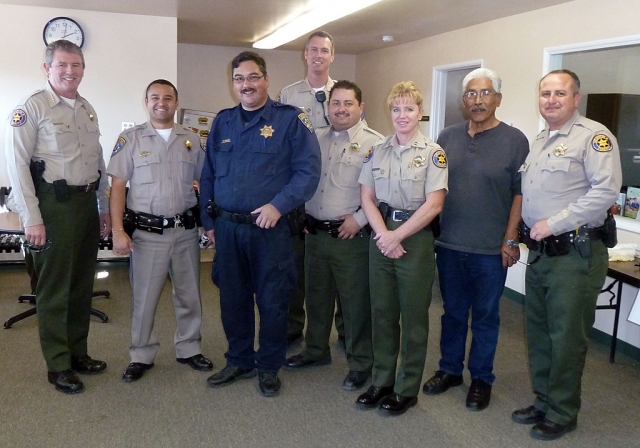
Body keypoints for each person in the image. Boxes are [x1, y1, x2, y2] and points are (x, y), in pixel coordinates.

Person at [199, 51, 321, 397]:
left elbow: (308, 172)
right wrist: (209, 222)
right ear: (233, 83)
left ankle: (269, 365)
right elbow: (207, 174)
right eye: (239, 78)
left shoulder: (290, 121)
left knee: (272, 300)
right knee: (233, 299)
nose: (246, 85)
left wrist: (278, 206)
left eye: (253, 77)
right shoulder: (222, 122)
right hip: (228, 229)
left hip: (271, 230)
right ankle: (238, 359)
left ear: (266, 80)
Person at [513, 69, 621, 441]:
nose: (551, 100)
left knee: (566, 337)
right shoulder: (542, 139)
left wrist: (553, 223)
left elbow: (606, 192)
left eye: (560, 93)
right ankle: (543, 400)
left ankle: (563, 411)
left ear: (576, 98)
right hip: (542, 254)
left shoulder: (594, 137)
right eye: (545, 93)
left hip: (575, 254)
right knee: (539, 333)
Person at [5, 40, 111, 394]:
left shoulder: (86, 108)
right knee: (55, 291)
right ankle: (58, 365)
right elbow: (17, 166)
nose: (70, 71)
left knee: (82, 285)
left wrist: (103, 207)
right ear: (47, 68)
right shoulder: (32, 108)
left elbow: (97, 163)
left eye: (76, 65)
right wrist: (31, 217)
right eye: (63, 64)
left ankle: (79, 354)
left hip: (84, 206)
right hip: (53, 206)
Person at [422, 68, 529, 411]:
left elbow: (519, 194)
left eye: (485, 93)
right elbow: (433, 185)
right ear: (463, 100)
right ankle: (450, 369)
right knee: (452, 313)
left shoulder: (515, 141)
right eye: (471, 94)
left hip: (489, 250)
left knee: (485, 317)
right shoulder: (447, 136)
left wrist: (511, 239)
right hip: (450, 244)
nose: (478, 100)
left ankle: (481, 378)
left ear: (498, 99)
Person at [107, 79, 213, 383]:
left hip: (185, 232)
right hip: (147, 235)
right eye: (155, 98)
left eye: (168, 98)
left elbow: (205, 185)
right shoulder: (131, 140)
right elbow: (117, 188)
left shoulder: (191, 140)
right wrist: (118, 231)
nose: (161, 103)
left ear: (176, 103)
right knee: (144, 298)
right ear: (146, 101)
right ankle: (141, 353)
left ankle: (189, 348)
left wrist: (208, 224)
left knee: (190, 294)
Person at [284, 80, 383, 391]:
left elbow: (384, 192)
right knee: (316, 298)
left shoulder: (375, 143)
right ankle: (315, 350)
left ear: (360, 107)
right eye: (336, 103)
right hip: (314, 234)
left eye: (348, 103)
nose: (341, 109)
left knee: (355, 305)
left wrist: (359, 219)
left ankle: (360, 362)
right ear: (328, 107)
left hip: (350, 238)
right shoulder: (316, 140)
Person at [356, 81, 448, 415]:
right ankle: (382, 381)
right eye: (396, 109)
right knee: (381, 312)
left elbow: (434, 204)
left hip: (415, 236)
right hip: (381, 234)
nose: (402, 115)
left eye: (409, 109)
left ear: (419, 113)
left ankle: (406, 388)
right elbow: (366, 196)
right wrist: (383, 234)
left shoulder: (432, 153)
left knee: (412, 317)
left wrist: (397, 237)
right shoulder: (376, 149)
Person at [278, 30, 336, 346]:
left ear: (331, 56)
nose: (317, 55)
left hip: (333, 190)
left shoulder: (341, 93)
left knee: (337, 264)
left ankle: (343, 325)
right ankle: (293, 323)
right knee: (295, 263)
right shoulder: (288, 95)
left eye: (324, 50)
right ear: (305, 54)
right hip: (297, 193)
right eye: (312, 49)